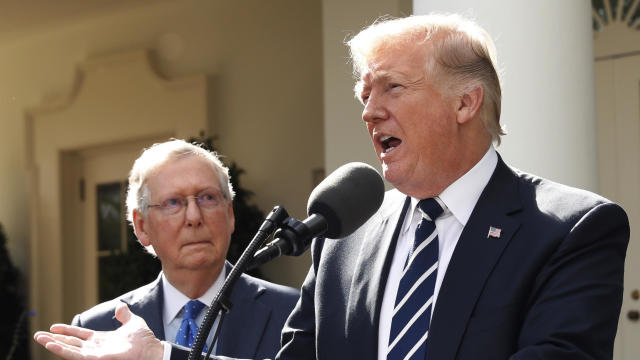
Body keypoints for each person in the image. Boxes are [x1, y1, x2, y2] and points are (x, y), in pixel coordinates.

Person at [34, 13, 629, 360]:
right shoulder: (348, 239)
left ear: (465, 102)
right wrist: (162, 356)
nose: (369, 113)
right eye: (364, 95)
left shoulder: (572, 228)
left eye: (392, 89)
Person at [44, 139, 299, 359]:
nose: (194, 216)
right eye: (173, 202)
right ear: (142, 226)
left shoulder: (294, 311)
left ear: (230, 214)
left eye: (208, 197)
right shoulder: (99, 328)